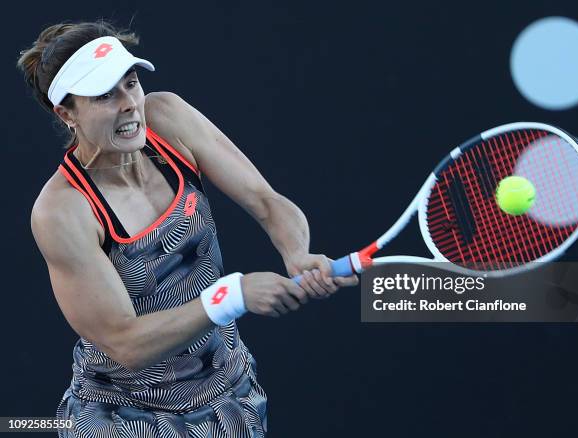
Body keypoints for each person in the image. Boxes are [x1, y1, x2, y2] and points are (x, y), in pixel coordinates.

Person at [17, 19, 358, 437]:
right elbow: (125, 343)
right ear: (66, 113)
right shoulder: (62, 211)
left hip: (229, 399)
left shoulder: (167, 117)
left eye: (130, 83)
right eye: (105, 95)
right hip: (124, 419)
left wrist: (297, 253)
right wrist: (233, 294)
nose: (129, 104)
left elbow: (268, 202)